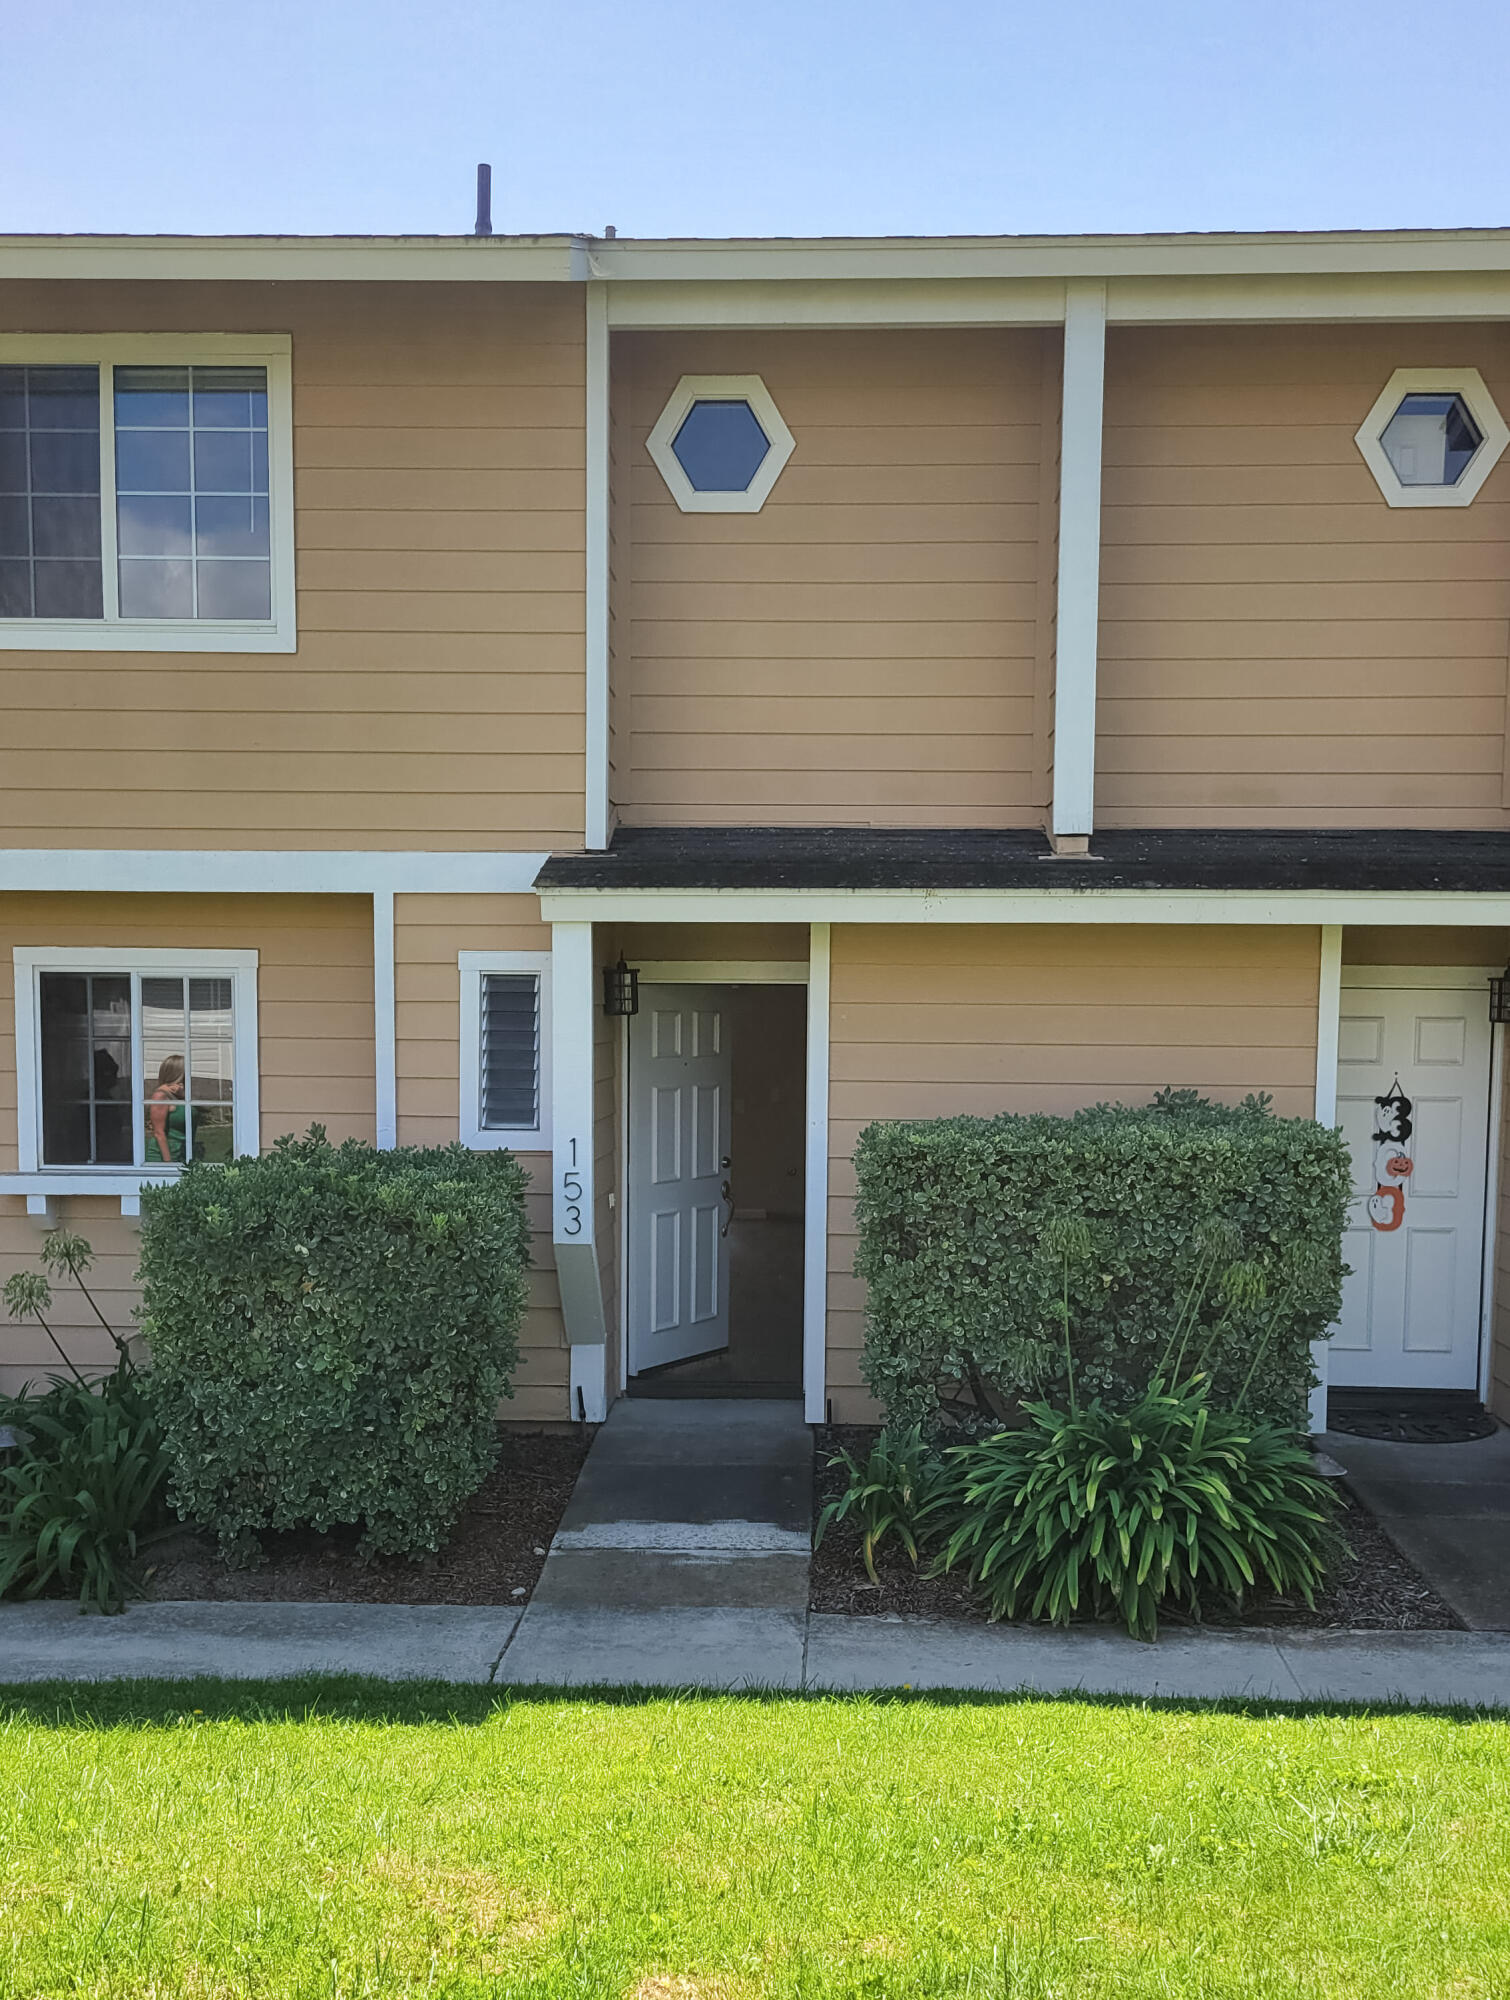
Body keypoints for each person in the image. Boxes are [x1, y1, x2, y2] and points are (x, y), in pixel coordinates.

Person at [147, 1054, 188, 1163]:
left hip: (181, 1151)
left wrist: (183, 1095)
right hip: (166, 1154)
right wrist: (168, 1164)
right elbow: (159, 1132)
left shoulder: (179, 1094)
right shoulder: (161, 1095)